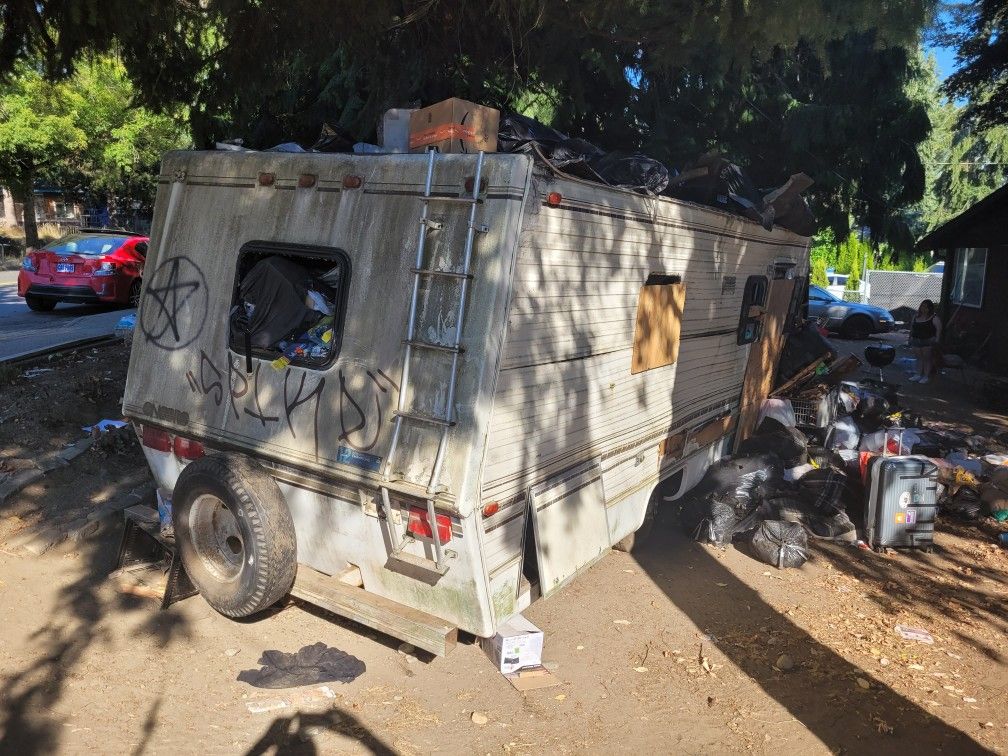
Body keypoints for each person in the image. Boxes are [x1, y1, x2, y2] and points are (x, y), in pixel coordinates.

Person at [908, 299, 941, 384]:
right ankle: (918, 374)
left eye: (926, 307)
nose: (924, 309)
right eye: (922, 306)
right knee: (919, 358)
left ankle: (926, 376)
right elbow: (912, 328)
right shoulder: (915, 317)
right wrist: (910, 337)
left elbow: (938, 330)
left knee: (927, 359)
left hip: (928, 341)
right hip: (916, 340)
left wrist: (936, 340)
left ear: (930, 308)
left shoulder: (934, 318)